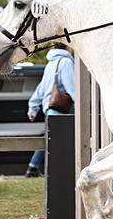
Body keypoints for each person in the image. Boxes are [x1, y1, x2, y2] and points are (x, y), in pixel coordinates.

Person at [25, 45, 76, 178]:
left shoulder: (51, 63)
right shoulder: (66, 62)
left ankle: (33, 167)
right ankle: (56, 172)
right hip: (60, 108)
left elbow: (41, 88)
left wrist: (33, 107)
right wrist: (85, 105)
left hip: (49, 107)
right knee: (60, 141)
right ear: (67, 46)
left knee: (49, 138)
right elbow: (72, 87)